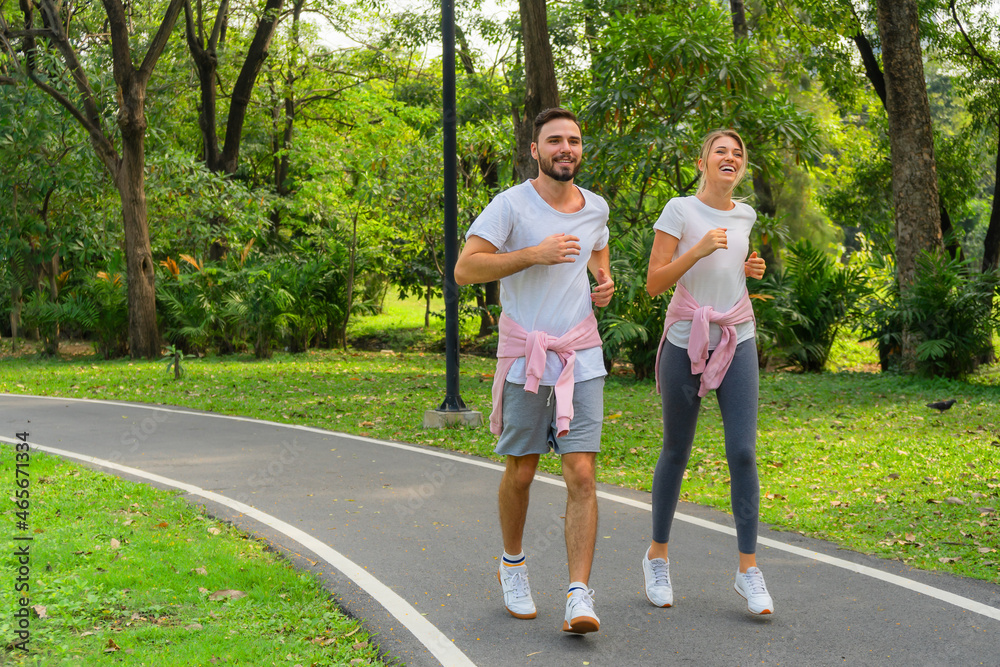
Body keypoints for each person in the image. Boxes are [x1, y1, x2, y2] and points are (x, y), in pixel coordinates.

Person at [454, 107, 614, 634]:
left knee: (582, 473)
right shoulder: (510, 206)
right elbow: (465, 268)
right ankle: (514, 564)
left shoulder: (596, 207)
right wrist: (532, 254)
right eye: (554, 141)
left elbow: (597, 248)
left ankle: (577, 594)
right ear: (535, 150)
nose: (565, 148)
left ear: (580, 149)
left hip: (580, 354)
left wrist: (603, 279)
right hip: (526, 356)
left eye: (573, 140)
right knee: (522, 471)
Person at [641, 129, 773, 615]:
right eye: (722, 151)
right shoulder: (679, 210)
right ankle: (657, 555)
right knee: (677, 448)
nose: (731, 158)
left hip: (736, 336)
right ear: (702, 161)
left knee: (742, 451)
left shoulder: (746, 214)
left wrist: (749, 265)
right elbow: (655, 283)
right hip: (685, 339)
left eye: (738, 153)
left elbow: (731, 267)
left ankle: (748, 570)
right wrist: (695, 250)